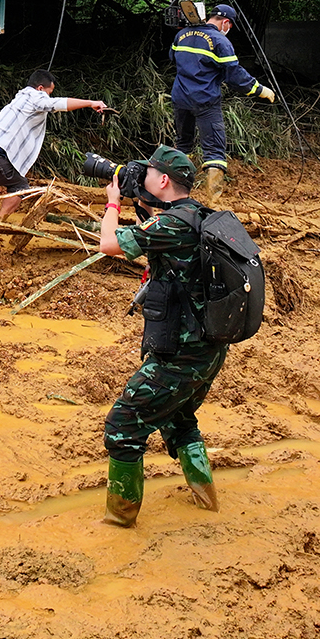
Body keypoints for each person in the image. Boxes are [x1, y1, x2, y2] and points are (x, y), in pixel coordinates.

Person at [96, 145, 225, 527]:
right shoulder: (198, 216)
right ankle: (208, 503)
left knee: (123, 425)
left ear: (163, 180)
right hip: (209, 349)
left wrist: (113, 203)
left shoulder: (170, 225)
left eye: (150, 172)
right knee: (179, 419)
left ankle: (119, 521)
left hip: (178, 355)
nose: (144, 176)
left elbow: (109, 245)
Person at [0, 69, 108, 217]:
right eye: (49, 92)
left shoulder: (21, 97)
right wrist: (90, 103)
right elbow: (56, 104)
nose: (48, 96)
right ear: (40, 88)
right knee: (20, 187)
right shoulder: (36, 97)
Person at [170, 3, 275, 204]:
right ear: (226, 23)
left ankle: (172, 196)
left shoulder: (181, 35)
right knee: (215, 152)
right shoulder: (219, 41)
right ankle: (214, 203)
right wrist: (259, 89)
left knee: (183, 145)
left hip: (180, 99)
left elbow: (172, 58)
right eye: (230, 26)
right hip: (205, 101)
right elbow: (234, 75)